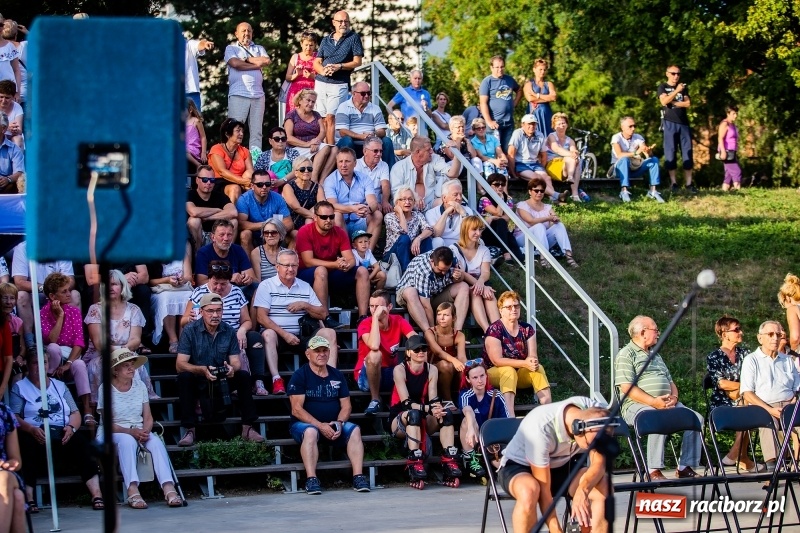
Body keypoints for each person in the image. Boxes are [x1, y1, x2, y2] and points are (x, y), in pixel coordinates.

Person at [498, 397, 612, 533]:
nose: (595, 447)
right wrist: (556, 530)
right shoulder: (540, 428)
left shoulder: (596, 412)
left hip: (563, 464)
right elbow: (544, 489)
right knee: (529, 490)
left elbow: (599, 463)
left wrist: (583, 490)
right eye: (592, 444)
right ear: (578, 429)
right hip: (520, 466)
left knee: (603, 483)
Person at [10, 350, 104, 511]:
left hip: (61, 431)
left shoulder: (59, 386)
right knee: (25, 446)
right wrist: (31, 429)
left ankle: (97, 494)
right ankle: (29, 499)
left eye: (44, 362)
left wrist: (71, 427)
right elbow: (15, 416)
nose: (40, 367)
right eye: (35, 363)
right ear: (27, 364)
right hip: (34, 433)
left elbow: (75, 413)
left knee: (83, 444)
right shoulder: (20, 387)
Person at [615, 315, 703, 480]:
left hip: (666, 403)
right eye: (655, 330)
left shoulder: (656, 355)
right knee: (658, 417)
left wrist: (675, 397)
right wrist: (654, 402)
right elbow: (627, 388)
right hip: (636, 406)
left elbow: (670, 381)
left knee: (695, 418)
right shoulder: (626, 354)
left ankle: (684, 467)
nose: (658, 333)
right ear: (643, 332)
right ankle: (652, 469)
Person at [175, 293, 265, 446]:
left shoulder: (229, 331)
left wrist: (231, 369)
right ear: (202, 311)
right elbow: (180, 364)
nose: (215, 315)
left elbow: (236, 362)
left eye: (219, 310)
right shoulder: (190, 331)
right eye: (210, 311)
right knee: (184, 377)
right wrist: (201, 370)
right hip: (199, 379)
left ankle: (248, 428)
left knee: (243, 375)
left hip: (222, 378)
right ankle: (190, 429)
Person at [97, 349, 182, 509]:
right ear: (115, 370)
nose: (132, 369)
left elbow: (148, 417)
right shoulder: (105, 389)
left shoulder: (140, 385)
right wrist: (131, 432)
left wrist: (146, 432)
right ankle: (132, 489)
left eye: (133, 365)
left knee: (156, 442)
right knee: (128, 441)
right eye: (126, 366)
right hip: (113, 432)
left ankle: (169, 487)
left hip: (138, 430)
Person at [288, 335, 371, 494]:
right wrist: (320, 425)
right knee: (311, 432)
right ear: (308, 354)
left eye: (325, 350)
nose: (321, 354)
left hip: (333, 424)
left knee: (355, 430)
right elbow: (296, 409)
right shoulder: (300, 375)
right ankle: (311, 479)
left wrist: (339, 422)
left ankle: (358, 477)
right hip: (306, 426)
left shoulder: (337, 375)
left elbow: (346, 405)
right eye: (317, 351)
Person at [253, 249, 339, 383]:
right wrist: (285, 335)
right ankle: (276, 379)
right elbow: (261, 318)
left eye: (294, 265)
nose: (290, 269)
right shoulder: (266, 285)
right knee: (268, 334)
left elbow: (322, 313)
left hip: (303, 336)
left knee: (329, 332)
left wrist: (305, 305)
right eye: (286, 265)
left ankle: (331, 377)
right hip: (278, 337)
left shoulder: (304, 286)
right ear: (277, 267)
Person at [390, 335, 462, 488]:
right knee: (414, 414)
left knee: (446, 414)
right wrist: (429, 409)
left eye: (424, 349)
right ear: (408, 353)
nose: (421, 352)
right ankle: (415, 462)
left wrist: (437, 409)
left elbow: (433, 397)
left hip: (422, 413)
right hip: (400, 417)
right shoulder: (399, 369)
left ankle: (449, 460)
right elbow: (406, 403)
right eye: (417, 350)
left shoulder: (431, 369)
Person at [86, 269, 158, 407]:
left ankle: (134, 407)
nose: (110, 288)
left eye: (114, 284)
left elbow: (136, 340)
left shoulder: (134, 309)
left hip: (127, 354)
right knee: (101, 366)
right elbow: (99, 343)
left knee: (133, 366)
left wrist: (123, 353)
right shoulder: (95, 309)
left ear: (123, 287)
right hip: (101, 355)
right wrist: (120, 352)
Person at [296, 201, 370, 324]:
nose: (328, 220)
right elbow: (308, 262)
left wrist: (347, 265)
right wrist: (335, 264)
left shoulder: (339, 232)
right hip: (306, 275)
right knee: (321, 270)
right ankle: (325, 317)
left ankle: (363, 317)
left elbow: (351, 259)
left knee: (362, 270)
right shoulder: (304, 231)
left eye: (331, 217)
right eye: (324, 217)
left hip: (331, 273)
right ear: (315, 218)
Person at [739, 320, 800, 470]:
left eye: (778, 334)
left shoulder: (787, 360)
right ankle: (773, 471)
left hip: (789, 404)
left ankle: (795, 465)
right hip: (763, 406)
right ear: (760, 338)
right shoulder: (751, 360)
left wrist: (793, 402)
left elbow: (797, 388)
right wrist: (769, 409)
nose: (775, 338)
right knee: (767, 421)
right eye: (770, 334)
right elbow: (747, 393)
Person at [483, 290, 551, 417]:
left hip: (519, 372)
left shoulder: (527, 329)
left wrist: (532, 361)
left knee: (538, 368)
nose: (513, 309)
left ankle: (548, 411)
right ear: (500, 310)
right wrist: (524, 363)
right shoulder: (494, 329)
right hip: (494, 372)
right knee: (508, 370)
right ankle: (509, 415)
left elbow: (532, 355)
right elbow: (497, 360)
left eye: (516, 306)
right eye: (509, 307)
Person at [40, 272, 93, 425]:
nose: (69, 294)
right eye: (64, 291)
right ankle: (50, 380)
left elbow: (79, 342)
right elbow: (51, 340)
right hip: (52, 358)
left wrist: (68, 363)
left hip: (70, 356)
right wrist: (61, 316)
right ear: (52, 296)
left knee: (80, 364)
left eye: (69, 290)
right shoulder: (43, 313)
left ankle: (87, 410)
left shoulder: (75, 312)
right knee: (53, 347)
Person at [706, 316, 757, 471]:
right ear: (724, 334)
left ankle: (737, 455)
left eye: (740, 329)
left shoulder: (746, 354)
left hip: (743, 398)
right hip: (722, 403)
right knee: (748, 405)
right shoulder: (714, 356)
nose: (740, 332)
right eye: (736, 330)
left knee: (747, 404)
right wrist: (745, 386)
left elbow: (756, 377)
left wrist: (741, 389)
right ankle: (741, 457)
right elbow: (721, 383)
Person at [356, 289, 416, 415]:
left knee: (418, 353)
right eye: (371, 306)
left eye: (377, 306)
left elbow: (415, 340)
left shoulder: (398, 320)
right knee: (375, 354)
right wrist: (376, 319)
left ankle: (412, 403)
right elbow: (374, 345)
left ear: (389, 307)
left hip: (389, 372)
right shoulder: (365, 324)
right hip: (366, 376)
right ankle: (375, 400)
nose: (373, 310)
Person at [11, 242, 80, 350]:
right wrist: (46, 289)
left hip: (58, 292)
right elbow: (19, 282)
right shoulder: (23, 248)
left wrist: (57, 291)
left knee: (75, 295)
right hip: (34, 293)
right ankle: (30, 344)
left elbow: (70, 280)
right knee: (21, 296)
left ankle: (75, 341)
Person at [395, 247, 470, 343]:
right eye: (440, 270)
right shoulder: (422, 270)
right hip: (412, 294)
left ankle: (456, 334)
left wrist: (459, 276)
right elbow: (426, 306)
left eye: (446, 270)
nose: (443, 273)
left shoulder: (452, 258)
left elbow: (459, 279)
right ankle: (430, 334)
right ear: (432, 262)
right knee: (411, 292)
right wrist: (434, 330)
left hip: (435, 293)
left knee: (464, 286)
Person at [313, 11, 364, 145]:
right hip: (321, 82)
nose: (343, 24)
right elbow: (316, 62)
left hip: (339, 83)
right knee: (322, 119)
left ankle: (331, 150)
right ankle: (324, 150)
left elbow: (357, 62)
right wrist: (323, 71)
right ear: (334, 23)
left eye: (346, 21)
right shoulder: (325, 39)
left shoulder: (353, 38)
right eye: (340, 21)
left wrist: (339, 66)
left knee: (331, 117)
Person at [322, 148, 382, 250]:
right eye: (340, 161)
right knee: (336, 215)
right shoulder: (330, 180)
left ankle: (367, 255)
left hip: (360, 221)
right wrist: (352, 209)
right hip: (340, 224)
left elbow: (373, 202)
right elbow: (332, 205)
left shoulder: (365, 178)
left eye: (347, 161)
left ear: (355, 163)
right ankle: (348, 253)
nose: (343, 165)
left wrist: (368, 209)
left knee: (377, 215)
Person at [458, 359, 509, 478]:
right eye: (475, 377)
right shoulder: (466, 394)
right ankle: (470, 458)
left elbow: (506, 422)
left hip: (492, 441)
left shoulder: (496, 395)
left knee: (505, 467)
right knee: (467, 420)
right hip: (474, 438)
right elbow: (467, 410)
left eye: (482, 376)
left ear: (486, 376)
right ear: (468, 379)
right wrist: (471, 428)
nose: (480, 380)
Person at [224, 22, 270, 151]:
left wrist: (244, 60)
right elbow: (235, 64)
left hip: (258, 95)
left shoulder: (259, 48)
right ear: (236, 34)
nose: (246, 33)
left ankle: (254, 161)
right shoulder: (231, 48)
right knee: (234, 130)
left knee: (257, 132)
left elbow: (266, 61)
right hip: (238, 94)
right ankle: (233, 158)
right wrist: (254, 62)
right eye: (243, 31)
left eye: (249, 31)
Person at [450, 216, 500, 333]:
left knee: (489, 295)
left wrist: (481, 283)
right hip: (462, 283)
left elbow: (486, 272)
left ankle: (498, 331)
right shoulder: (453, 249)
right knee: (476, 292)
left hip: (481, 280)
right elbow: (461, 273)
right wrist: (480, 286)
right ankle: (487, 330)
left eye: (480, 230)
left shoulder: (484, 250)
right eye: (474, 230)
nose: (478, 233)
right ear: (465, 229)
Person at [516, 177, 578, 268]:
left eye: (542, 191)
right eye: (536, 190)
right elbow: (531, 221)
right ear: (530, 192)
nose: (539, 193)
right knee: (539, 226)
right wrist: (548, 218)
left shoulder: (547, 207)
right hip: (523, 238)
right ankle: (544, 257)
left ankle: (568, 256)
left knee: (559, 225)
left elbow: (554, 217)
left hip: (541, 238)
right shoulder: (522, 205)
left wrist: (555, 219)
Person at [390, 136, 461, 211]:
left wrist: (457, 152)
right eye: (428, 150)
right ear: (418, 152)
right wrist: (414, 197)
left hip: (431, 203)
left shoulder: (434, 158)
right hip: (409, 205)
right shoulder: (399, 167)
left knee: (449, 203)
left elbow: (453, 174)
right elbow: (396, 193)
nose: (431, 151)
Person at [508, 114, 567, 204]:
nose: (532, 126)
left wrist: (541, 167)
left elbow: (544, 154)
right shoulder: (517, 133)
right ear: (523, 124)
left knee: (546, 178)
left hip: (535, 164)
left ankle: (553, 199)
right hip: (521, 164)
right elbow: (511, 153)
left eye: (534, 124)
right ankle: (557, 195)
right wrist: (512, 173)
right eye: (529, 124)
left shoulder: (539, 134)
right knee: (537, 178)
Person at [334, 81, 394, 166]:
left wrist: (374, 134)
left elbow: (382, 131)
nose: (366, 96)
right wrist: (360, 136)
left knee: (387, 141)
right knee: (347, 140)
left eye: (368, 93)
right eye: (363, 93)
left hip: (370, 143)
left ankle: (391, 174)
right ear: (354, 94)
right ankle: (348, 173)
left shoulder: (375, 108)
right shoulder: (344, 107)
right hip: (351, 142)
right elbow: (343, 132)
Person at [236, 168, 293, 256]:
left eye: (267, 184)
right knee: (245, 234)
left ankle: (286, 262)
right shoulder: (244, 199)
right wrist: (266, 225)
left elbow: (289, 223)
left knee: (295, 234)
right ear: (252, 186)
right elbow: (241, 224)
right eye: (260, 184)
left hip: (275, 234)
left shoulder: (277, 198)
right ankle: (250, 267)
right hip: (255, 236)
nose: (264, 187)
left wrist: (273, 231)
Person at [284, 89, 338, 183]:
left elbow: (322, 132)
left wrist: (316, 141)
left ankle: (322, 181)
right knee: (325, 148)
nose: (310, 104)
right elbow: (288, 137)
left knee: (335, 149)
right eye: (308, 100)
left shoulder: (316, 114)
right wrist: (308, 144)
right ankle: (314, 178)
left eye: (313, 102)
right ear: (300, 100)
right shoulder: (292, 115)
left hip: (315, 146)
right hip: (297, 148)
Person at [148, 244, 193, 354]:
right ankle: (173, 340)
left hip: (181, 288)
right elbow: (150, 281)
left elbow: (189, 276)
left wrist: (182, 279)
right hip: (162, 290)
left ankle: (183, 339)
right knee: (167, 298)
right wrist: (167, 280)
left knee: (189, 296)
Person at [658, 65, 696, 193]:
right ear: (667, 73)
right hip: (669, 123)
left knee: (687, 151)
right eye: (673, 73)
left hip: (684, 124)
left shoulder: (683, 88)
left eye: (678, 74)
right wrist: (675, 92)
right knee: (671, 152)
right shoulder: (663, 87)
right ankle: (674, 183)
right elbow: (663, 102)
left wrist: (672, 102)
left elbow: (688, 103)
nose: (676, 76)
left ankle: (689, 183)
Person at [611, 116, 663, 203]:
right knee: (624, 159)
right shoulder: (616, 138)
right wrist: (636, 153)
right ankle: (624, 191)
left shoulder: (638, 137)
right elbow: (619, 155)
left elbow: (647, 155)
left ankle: (653, 191)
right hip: (619, 170)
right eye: (630, 126)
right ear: (622, 127)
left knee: (654, 160)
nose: (633, 128)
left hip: (635, 168)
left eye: (634, 126)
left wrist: (648, 151)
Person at [186, 165, 238, 249]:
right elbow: (193, 212)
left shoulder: (220, 196)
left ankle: (228, 254)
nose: (208, 183)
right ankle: (197, 257)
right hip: (198, 235)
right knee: (194, 221)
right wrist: (217, 210)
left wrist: (207, 218)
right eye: (205, 180)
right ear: (197, 180)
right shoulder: (190, 194)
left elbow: (233, 212)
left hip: (218, 234)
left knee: (234, 221)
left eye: (212, 180)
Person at [195, 220, 256, 291]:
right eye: (222, 235)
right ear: (213, 237)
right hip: (214, 292)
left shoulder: (238, 249)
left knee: (255, 286)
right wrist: (228, 279)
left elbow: (253, 278)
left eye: (229, 235)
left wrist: (247, 279)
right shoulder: (204, 252)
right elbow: (201, 283)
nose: (226, 239)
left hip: (236, 290)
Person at [383, 186, 434, 272]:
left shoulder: (417, 215)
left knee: (427, 240)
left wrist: (418, 238)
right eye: (403, 199)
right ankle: (406, 274)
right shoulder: (389, 217)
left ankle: (426, 271)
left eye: (410, 199)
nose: (407, 202)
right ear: (397, 202)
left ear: (414, 202)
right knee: (404, 238)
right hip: (392, 255)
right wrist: (400, 213)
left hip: (411, 251)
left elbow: (429, 229)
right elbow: (404, 231)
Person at [426, 302, 467, 407]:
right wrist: (454, 360)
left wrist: (466, 368)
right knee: (445, 365)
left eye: (446, 315)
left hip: (451, 368)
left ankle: (463, 399)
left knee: (464, 368)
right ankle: (446, 400)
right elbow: (438, 352)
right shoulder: (430, 332)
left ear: (454, 318)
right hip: (433, 368)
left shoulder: (459, 335)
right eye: (439, 314)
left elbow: (462, 357)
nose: (442, 318)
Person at [478, 173, 524, 263]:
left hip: (501, 231)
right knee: (501, 223)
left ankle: (520, 259)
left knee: (504, 226)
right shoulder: (484, 199)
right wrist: (500, 200)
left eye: (502, 184)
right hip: (487, 231)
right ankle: (506, 253)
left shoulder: (508, 199)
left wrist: (493, 217)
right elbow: (498, 213)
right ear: (489, 185)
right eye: (496, 184)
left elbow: (507, 218)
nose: (500, 187)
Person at [479, 55, 521, 152]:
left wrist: (514, 103)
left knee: (508, 151)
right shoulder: (487, 82)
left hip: (509, 123)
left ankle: (510, 168)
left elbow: (519, 90)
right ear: (491, 67)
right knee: (494, 151)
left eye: (502, 67)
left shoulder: (509, 80)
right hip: (494, 123)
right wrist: (489, 121)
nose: (500, 69)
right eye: (497, 67)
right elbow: (483, 103)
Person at [209, 118, 255, 204]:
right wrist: (244, 182)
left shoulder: (245, 151)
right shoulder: (216, 149)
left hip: (242, 183)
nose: (241, 134)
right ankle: (231, 216)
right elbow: (222, 172)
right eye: (238, 131)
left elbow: (250, 171)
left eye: (242, 131)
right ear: (227, 134)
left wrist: (246, 182)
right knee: (235, 188)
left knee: (250, 175)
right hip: (220, 183)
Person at [425, 180, 475, 249]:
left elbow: (471, 232)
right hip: (443, 249)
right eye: (455, 195)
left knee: (478, 241)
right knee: (437, 241)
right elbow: (437, 234)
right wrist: (445, 213)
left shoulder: (467, 210)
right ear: (444, 198)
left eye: (460, 194)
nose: (459, 198)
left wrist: (462, 212)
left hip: (461, 246)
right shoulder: (431, 213)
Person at [545, 112, 582, 201]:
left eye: (563, 123)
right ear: (554, 126)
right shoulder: (551, 136)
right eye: (559, 123)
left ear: (567, 125)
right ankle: (570, 177)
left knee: (577, 160)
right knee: (570, 157)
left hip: (567, 166)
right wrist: (571, 154)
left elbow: (573, 150)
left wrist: (574, 153)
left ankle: (575, 194)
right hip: (553, 164)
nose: (561, 125)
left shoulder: (570, 140)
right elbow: (556, 149)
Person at [0, 396, 25, 531]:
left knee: (4, 477)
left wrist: (9, 464)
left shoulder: (3, 411)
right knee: (18, 497)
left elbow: (16, 460)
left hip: (3, 473)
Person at [386, 69, 432, 137]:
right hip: (407, 128)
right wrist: (394, 120)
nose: (417, 80)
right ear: (410, 79)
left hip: (422, 128)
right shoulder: (404, 92)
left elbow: (430, 115)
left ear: (422, 80)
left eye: (419, 78)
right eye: (415, 78)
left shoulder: (426, 93)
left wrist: (426, 107)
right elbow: (389, 106)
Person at [283, 156, 322, 231]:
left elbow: (322, 205)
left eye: (309, 169)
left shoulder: (317, 187)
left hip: (312, 221)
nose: (306, 171)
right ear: (296, 173)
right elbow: (296, 208)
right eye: (302, 169)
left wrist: (313, 212)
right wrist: (315, 216)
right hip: (293, 224)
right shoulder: (288, 187)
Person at [355, 135, 392, 215]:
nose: (379, 154)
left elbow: (385, 185)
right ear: (365, 151)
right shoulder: (356, 164)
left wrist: (385, 201)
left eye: (381, 151)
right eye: (375, 151)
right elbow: (358, 189)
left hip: (378, 203)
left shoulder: (384, 165)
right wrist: (373, 203)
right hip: (360, 202)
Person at [284, 31, 317, 115]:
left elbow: (323, 76)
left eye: (311, 45)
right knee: (294, 116)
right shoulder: (295, 57)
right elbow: (288, 77)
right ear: (301, 44)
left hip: (312, 91)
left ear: (315, 45)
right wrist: (297, 74)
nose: (308, 48)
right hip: (296, 92)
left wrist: (311, 76)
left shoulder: (318, 57)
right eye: (306, 45)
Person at [523, 58, 557, 138]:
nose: (542, 72)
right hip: (534, 113)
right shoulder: (529, 84)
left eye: (544, 70)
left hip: (546, 113)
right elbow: (530, 99)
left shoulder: (549, 84)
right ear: (534, 69)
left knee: (549, 135)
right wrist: (547, 98)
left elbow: (553, 97)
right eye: (540, 69)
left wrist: (536, 95)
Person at [250, 218, 288, 282]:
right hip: (265, 289)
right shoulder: (257, 253)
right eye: (266, 233)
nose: (269, 235)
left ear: (281, 234)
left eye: (273, 232)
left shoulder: (286, 254)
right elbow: (257, 282)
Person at [0, 283, 23, 382]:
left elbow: (23, 346)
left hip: (12, 359)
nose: (9, 302)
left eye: (12, 298)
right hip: (2, 360)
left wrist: (20, 357)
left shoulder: (18, 322)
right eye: (5, 298)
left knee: (21, 370)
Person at [185, 36, 214, 111]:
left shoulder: (188, 45)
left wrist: (205, 44)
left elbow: (199, 44)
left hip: (190, 94)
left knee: (195, 121)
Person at [717, 105, 742, 191]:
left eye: (736, 113)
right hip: (726, 152)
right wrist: (723, 151)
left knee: (728, 175)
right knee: (736, 172)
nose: (736, 115)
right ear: (728, 113)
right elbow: (720, 138)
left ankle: (724, 191)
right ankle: (738, 192)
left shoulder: (733, 125)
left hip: (732, 152)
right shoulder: (725, 123)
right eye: (733, 113)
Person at [0, 111, 23, 194]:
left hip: (5, 187)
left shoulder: (14, 149)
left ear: (4, 129)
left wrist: (8, 179)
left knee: (17, 184)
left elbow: (19, 172)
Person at [779, 273, 800, 353]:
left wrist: (792, 353)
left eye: (783, 304)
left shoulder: (792, 309)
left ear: (787, 298)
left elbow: (796, 338)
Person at [186, 99, 208, 174]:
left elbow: (203, 137)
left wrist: (203, 152)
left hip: (194, 149)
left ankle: (198, 164)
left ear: (190, 110)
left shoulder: (196, 121)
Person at [0, 81, 22, 150]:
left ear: (13, 97)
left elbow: (20, 131)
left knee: (18, 139)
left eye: (7, 98)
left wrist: (15, 130)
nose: (3, 101)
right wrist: (6, 126)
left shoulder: (17, 107)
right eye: (1, 97)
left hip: (11, 136)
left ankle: (16, 159)